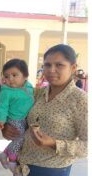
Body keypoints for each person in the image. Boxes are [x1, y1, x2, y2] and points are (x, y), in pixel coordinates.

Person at [12, 45, 87, 175]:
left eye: (59, 65)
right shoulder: (38, 94)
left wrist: (54, 143)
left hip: (51, 170)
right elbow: (26, 122)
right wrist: (10, 127)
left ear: (73, 68)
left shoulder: (80, 100)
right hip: (23, 166)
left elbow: (87, 146)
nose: (51, 70)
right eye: (47, 65)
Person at [0, 59, 35, 174]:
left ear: (25, 76)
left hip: (25, 118)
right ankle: (12, 160)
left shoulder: (29, 86)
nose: (10, 79)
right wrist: (1, 119)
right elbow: (2, 106)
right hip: (14, 119)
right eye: (7, 76)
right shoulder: (6, 91)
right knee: (19, 138)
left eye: (14, 75)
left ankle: (4, 154)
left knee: (23, 138)